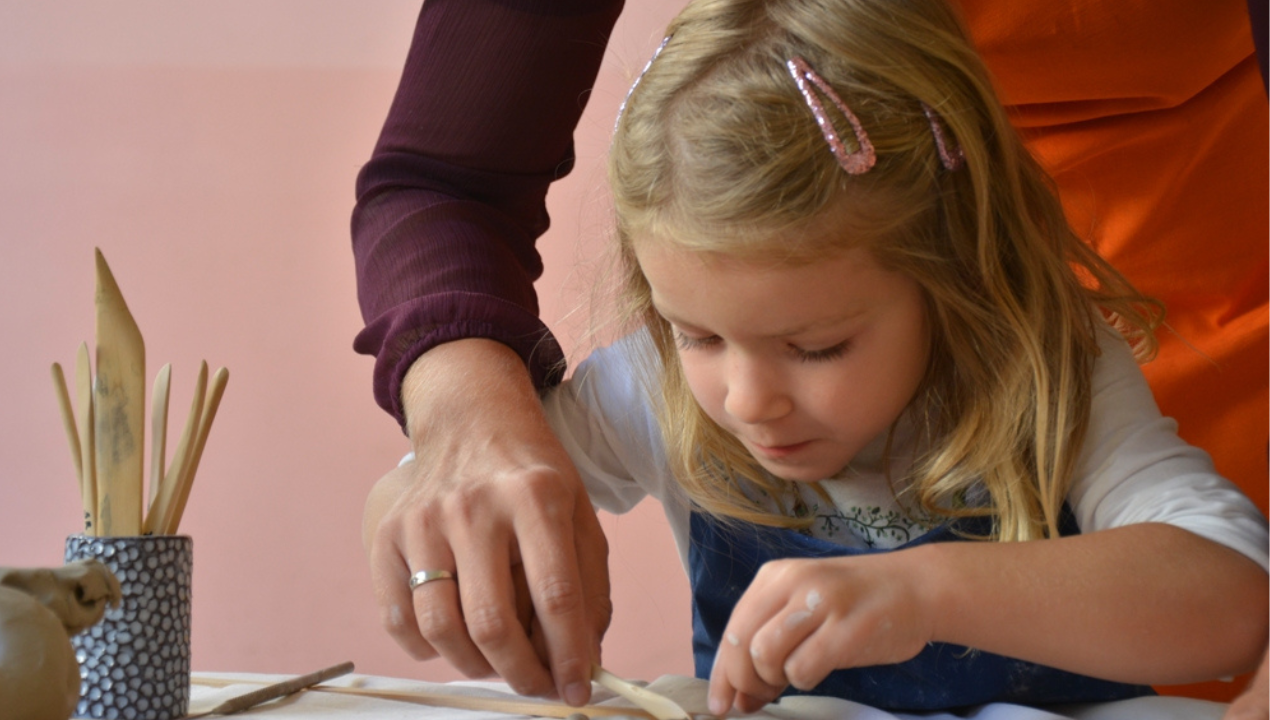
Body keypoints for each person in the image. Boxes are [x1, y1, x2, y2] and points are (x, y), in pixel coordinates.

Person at [353, 0, 1269, 710]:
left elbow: (1232, 598)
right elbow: (453, 481)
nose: (749, 398)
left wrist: (924, 593)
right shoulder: (656, 390)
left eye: (817, 347)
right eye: (698, 333)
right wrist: (420, 495)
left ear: (950, 280)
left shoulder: (1045, 368)